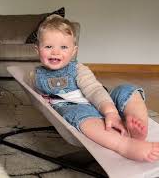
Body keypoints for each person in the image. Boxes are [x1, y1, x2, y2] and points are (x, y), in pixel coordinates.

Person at [29, 15, 159, 162]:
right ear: (37, 49)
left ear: (73, 51)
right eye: (48, 46)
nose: (55, 52)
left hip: (103, 101)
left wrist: (111, 111)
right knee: (82, 119)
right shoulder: (36, 75)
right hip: (76, 108)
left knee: (128, 90)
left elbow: (94, 90)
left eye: (63, 47)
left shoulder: (78, 69)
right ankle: (125, 145)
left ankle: (138, 125)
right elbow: (39, 97)